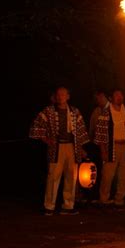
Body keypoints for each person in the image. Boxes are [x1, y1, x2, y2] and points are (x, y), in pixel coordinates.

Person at [30, 87, 89, 216]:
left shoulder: (74, 112)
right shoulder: (49, 111)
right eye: (58, 94)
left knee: (71, 177)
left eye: (63, 94)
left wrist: (81, 148)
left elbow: (80, 130)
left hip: (71, 147)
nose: (60, 97)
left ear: (68, 96)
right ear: (56, 97)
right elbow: (36, 127)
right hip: (56, 147)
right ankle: (49, 206)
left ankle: (68, 205)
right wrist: (46, 140)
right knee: (53, 177)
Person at [95, 89, 125, 207]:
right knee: (107, 175)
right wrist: (103, 151)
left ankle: (119, 199)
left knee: (124, 175)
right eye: (116, 95)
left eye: (121, 95)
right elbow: (100, 134)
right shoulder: (106, 113)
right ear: (111, 98)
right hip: (111, 147)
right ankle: (104, 199)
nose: (119, 97)